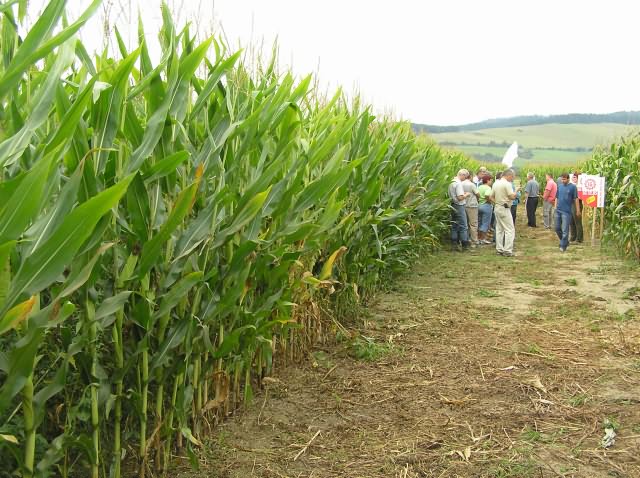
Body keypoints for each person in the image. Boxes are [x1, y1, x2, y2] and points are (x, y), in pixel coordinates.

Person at [490, 168, 519, 256]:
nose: (513, 179)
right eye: (512, 177)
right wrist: (516, 191)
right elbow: (511, 197)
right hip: (505, 208)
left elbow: (491, 197)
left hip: (497, 207)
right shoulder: (507, 184)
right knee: (510, 230)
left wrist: (498, 203)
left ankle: (499, 249)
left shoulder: (496, 183)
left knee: (499, 229)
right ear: (509, 175)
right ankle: (507, 250)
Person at [555, 173, 580, 252]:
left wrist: (578, 210)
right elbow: (557, 197)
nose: (563, 181)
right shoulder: (559, 186)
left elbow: (576, 199)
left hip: (566, 212)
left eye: (564, 179)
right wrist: (555, 207)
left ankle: (563, 246)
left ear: (568, 179)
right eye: (562, 179)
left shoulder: (573, 187)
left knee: (565, 230)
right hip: (558, 210)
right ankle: (565, 241)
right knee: (557, 228)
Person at [448, 169, 471, 251]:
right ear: (462, 175)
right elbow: (460, 197)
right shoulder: (458, 184)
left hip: (452, 205)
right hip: (459, 205)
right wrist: (466, 194)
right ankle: (465, 245)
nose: (465, 179)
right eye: (465, 177)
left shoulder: (451, 182)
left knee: (454, 225)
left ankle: (454, 244)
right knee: (463, 225)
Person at [462, 172, 480, 246]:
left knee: (465, 223)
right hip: (472, 205)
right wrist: (477, 199)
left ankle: (466, 239)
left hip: (463, 205)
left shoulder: (461, 184)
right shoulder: (472, 184)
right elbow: (477, 194)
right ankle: (474, 240)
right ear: (471, 176)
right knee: (473, 224)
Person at [477, 175, 494, 244]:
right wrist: (490, 201)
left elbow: (477, 195)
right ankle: (483, 239)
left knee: (480, 222)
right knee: (485, 223)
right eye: (491, 180)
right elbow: (487, 195)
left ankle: (478, 238)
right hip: (486, 206)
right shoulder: (488, 188)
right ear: (487, 180)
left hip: (479, 205)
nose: (491, 182)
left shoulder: (480, 187)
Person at [570, 171, 584, 243]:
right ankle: (573, 237)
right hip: (571, 204)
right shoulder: (572, 185)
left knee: (577, 221)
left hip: (577, 204)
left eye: (575, 177)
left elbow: (579, 198)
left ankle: (579, 238)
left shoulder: (580, 187)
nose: (573, 178)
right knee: (571, 221)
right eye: (573, 177)